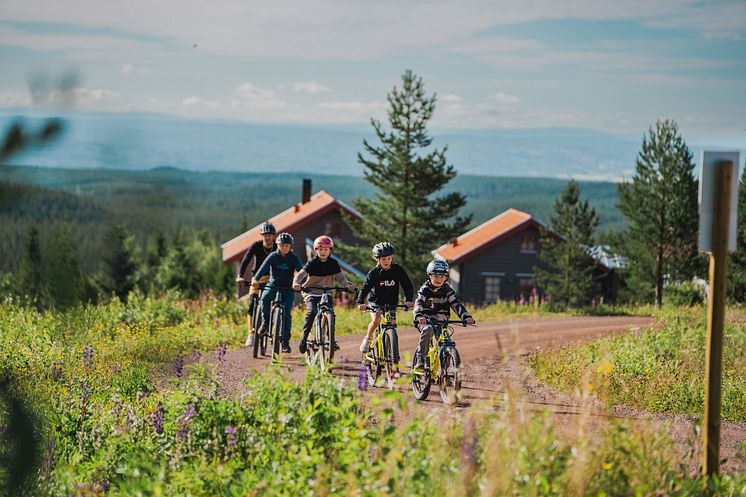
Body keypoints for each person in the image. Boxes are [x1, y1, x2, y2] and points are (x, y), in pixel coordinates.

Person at [356, 242, 414, 371]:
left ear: (392, 257)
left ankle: (392, 354)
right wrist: (360, 302)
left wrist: (409, 299)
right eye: (383, 259)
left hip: (391, 303)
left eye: (389, 258)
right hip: (376, 302)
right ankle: (368, 339)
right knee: (376, 320)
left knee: (392, 324)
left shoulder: (398, 270)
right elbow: (365, 288)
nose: (387, 261)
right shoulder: (374, 273)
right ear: (377, 259)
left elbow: (407, 285)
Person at [292, 235, 355, 354]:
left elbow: (341, 278)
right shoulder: (312, 263)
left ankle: (331, 339)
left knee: (331, 313)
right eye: (320, 249)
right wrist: (296, 283)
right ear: (316, 250)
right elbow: (300, 275)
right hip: (311, 292)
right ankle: (304, 338)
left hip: (327, 293)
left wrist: (347, 285)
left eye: (326, 249)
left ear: (330, 250)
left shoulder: (333, 263)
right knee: (312, 312)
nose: (323, 252)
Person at [412, 259, 475, 374]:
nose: (438, 279)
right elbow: (419, 303)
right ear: (429, 276)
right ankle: (420, 360)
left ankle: (444, 373)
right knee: (428, 330)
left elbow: (456, 304)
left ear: (446, 277)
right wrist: (418, 315)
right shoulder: (425, 289)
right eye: (435, 276)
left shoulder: (448, 290)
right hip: (425, 321)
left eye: (442, 276)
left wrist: (465, 316)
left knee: (447, 343)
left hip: (441, 321)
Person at [251, 232, 302, 353]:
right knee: (264, 298)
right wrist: (255, 279)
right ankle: (265, 322)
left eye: (286, 245)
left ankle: (285, 342)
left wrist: (300, 283)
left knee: (287, 314)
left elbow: (301, 272)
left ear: (290, 246)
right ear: (277, 245)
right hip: (272, 285)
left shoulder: (294, 258)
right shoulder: (273, 256)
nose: (284, 247)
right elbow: (262, 268)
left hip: (288, 288)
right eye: (281, 245)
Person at [235, 222, 277, 346]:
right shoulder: (256, 246)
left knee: (275, 302)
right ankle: (251, 334)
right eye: (265, 235)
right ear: (262, 236)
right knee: (252, 304)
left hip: (272, 279)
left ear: (273, 236)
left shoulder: (277, 247)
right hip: (257, 279)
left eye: (270, 235)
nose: (267, 238)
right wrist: (240, 276)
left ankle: (273, 323)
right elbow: (245, 260)